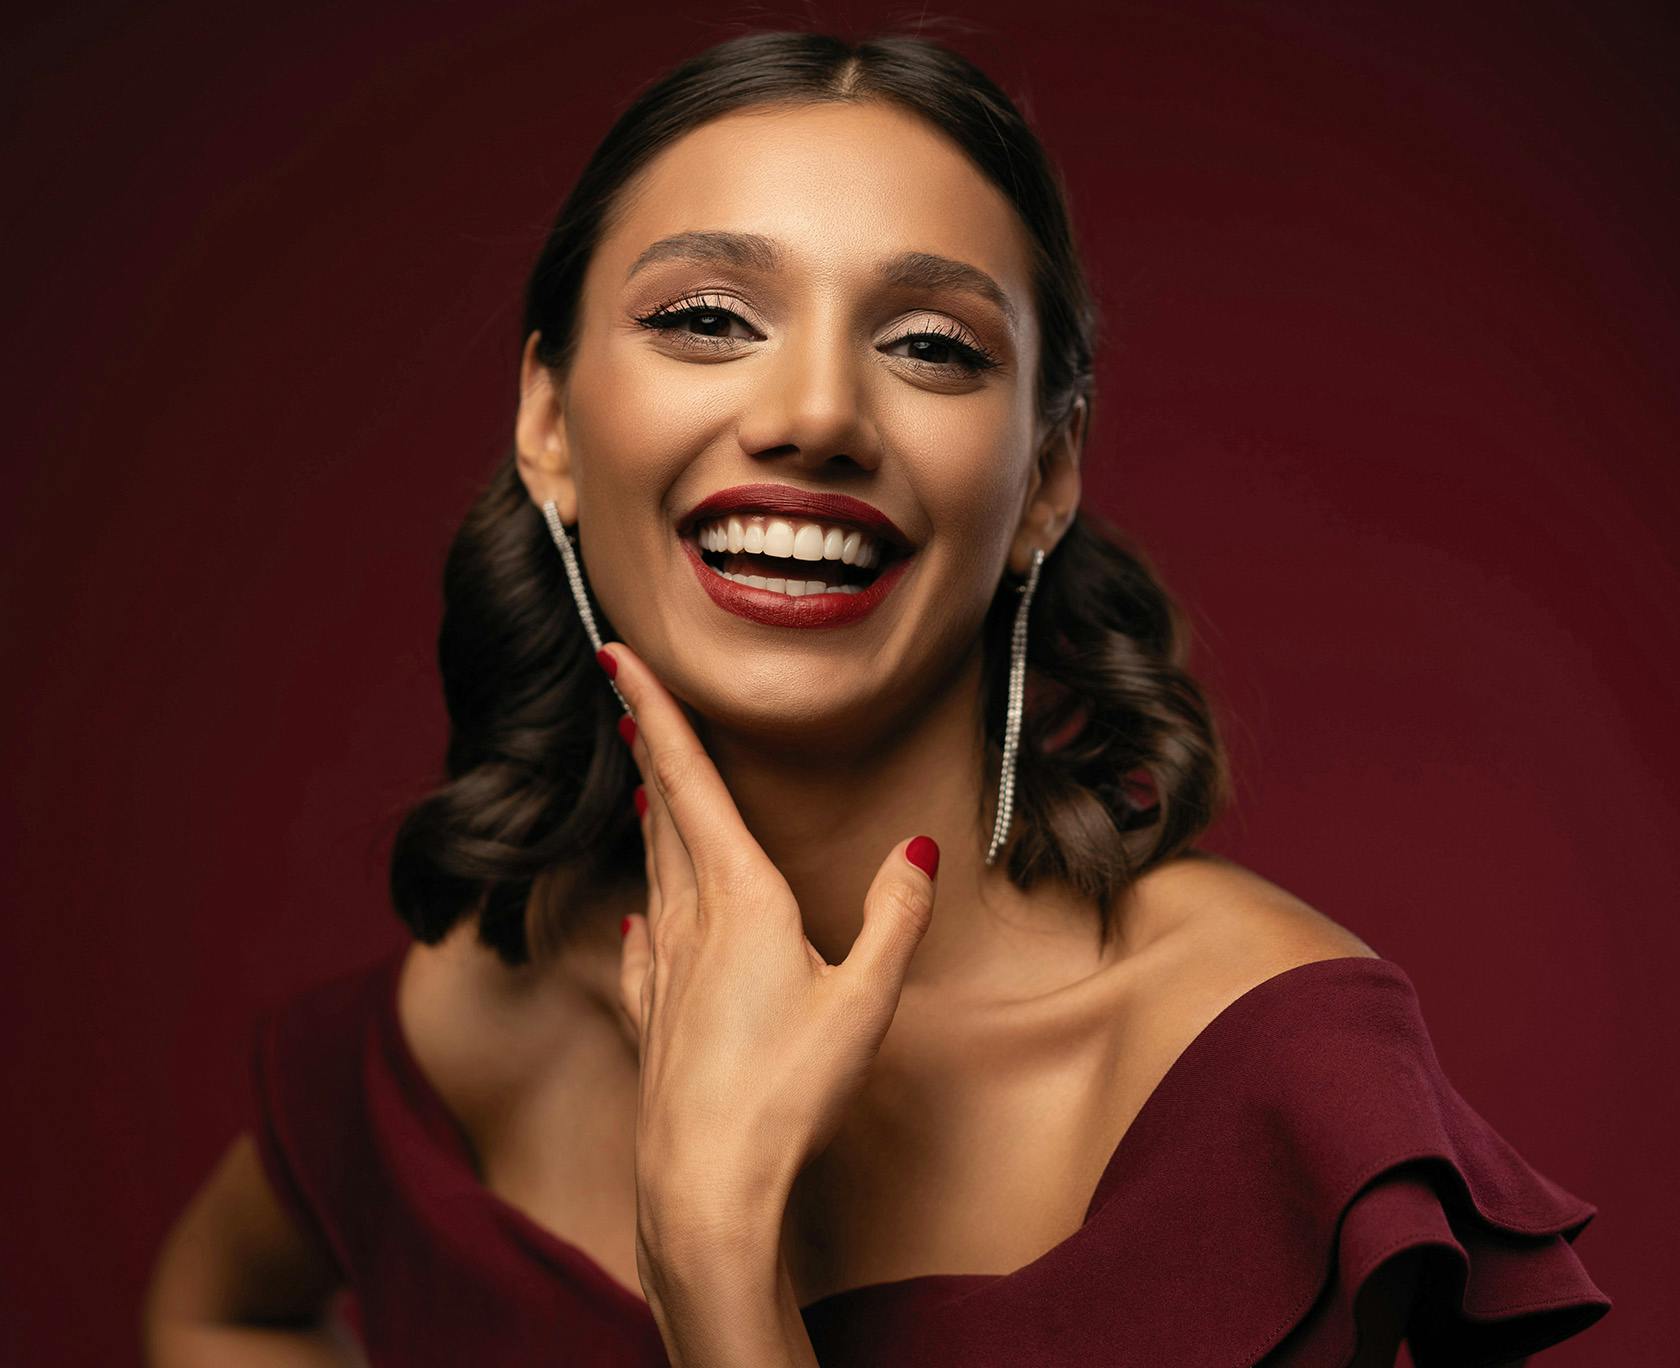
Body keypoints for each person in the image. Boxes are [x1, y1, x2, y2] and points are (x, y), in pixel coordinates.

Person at [142, 28, 1610, 1367]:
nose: (816, 416)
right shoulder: (479, 1009)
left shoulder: (1260, 1079)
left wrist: (717, 1256)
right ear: (549, 425)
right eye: (709, 317)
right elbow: (215, 1310)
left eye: (930, 348)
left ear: (1044, 479)